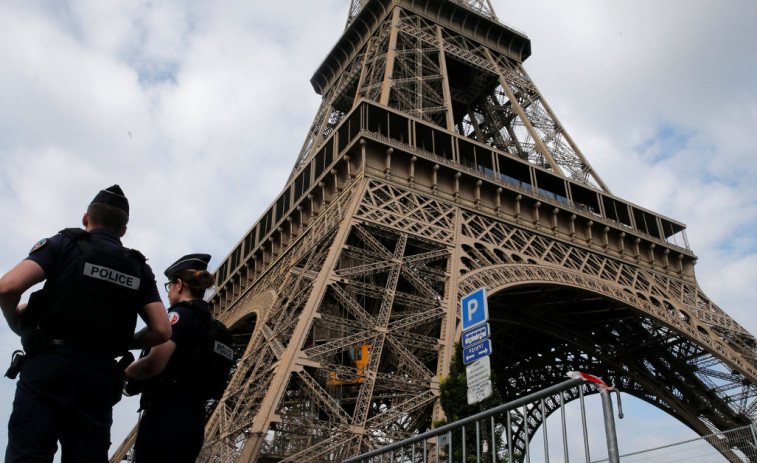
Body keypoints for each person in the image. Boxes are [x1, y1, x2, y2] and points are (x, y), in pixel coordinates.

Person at [0, 184, 172, 463]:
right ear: (123, 231)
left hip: (49, 363)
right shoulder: (139, 267)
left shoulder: (65, 243)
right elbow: (163, 330)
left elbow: (7, 287)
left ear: (86, 219)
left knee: (28, 454)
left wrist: (17, 323)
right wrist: (119, 340)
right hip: (100, 374)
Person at [126, 253, 224, 463]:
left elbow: (154, 364)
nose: (168, 292)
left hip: (166, 414)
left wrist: (125, 373)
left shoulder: (179, 316)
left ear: (178, 285)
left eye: (169, 286)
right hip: (195, 420)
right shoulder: (216, 327)